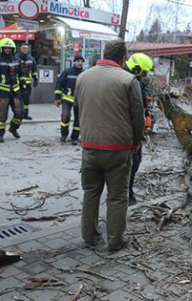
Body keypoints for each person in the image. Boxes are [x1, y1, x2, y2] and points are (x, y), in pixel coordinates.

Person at [74, 39, 144, 251]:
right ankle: (115, 241)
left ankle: (90, 236)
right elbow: (137, 116)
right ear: (124, 59)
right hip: (118, 150)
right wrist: (136, 140)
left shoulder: (82, 77)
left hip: (89, 146)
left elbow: (79, 107)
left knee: (91, 192)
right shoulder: (128, 80)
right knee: (117, 196)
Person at [124, 52, 154, 206]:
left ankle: (123, 191)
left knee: (131, 163)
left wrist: (147, 113)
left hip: (126, 130)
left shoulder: (134, 81)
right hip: (129, 131)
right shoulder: (131, 82)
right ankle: (126, 194)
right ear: (136, 69)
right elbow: (135, 111)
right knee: (132, 162)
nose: (145, 75)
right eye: (144, 72)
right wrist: (137, 137)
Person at [0, 38, 23, 142]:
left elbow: (21, 75)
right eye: (6, 48)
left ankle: (13, 128)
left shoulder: (17, 60)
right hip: (2, 92)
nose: (8, 50)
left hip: (15, 92)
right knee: (2, 114)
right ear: (2, 48)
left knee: (20, 113)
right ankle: (0, 134)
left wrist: (24, 86)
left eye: (10, 48)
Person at [54, 54, 85, 145]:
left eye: (82, 61)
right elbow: (59, 84)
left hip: (79, 100)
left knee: (78, 120)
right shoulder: (67, 72)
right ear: (74, 62)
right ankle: (64, 135)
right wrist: (57, 98)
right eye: (78, 61)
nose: (80, 63)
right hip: (67, 99)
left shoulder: (84, 74)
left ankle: (74, 137)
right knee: (65, 116)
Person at [18, 44, 38, 120]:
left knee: (26, 100)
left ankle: (25, 114)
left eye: (26, 48)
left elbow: (34, 69)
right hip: (18, 83)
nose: (25, 49)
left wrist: (35, 79)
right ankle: (19, 115)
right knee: (19, 100)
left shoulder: (31, 59)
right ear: (20, 49)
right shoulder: (16, 57)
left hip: (28, 83)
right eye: (23, 48)